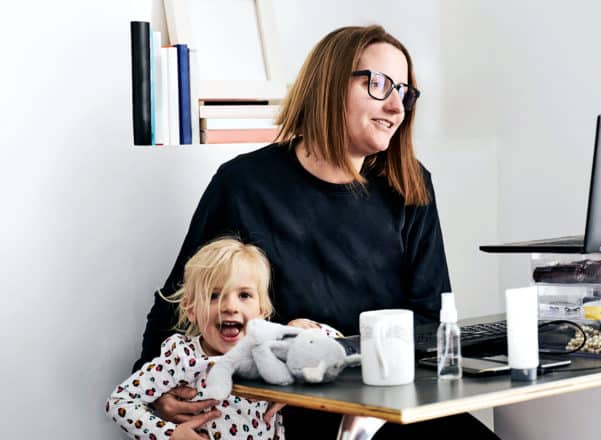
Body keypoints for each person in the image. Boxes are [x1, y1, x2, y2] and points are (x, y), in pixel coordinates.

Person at [136, 25, 499, 439]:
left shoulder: (411, 185)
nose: (397, 107)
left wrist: (341, 352)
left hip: (387, 402)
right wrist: (155, 392)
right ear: (328, 84)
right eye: (379, 84)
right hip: (282, 411)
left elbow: (430, 320)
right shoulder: (243, 185)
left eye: (404, 91)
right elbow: (178, 301)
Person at [109, 237, 292, 439]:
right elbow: (120, 401)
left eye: (244, 295)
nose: (230, 307)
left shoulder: (270, 350)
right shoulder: (183, 357)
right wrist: (171, 435)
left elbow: (330, 350)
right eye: (214, 295)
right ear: (191, 310)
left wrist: (304, 330)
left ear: (262, 311)